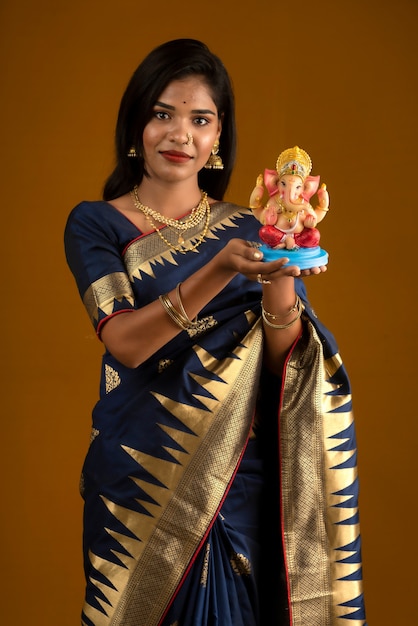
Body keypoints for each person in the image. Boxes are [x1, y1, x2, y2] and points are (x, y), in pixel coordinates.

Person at [64, 39, 366, 626]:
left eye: (200, 119)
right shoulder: (95, 222)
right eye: (163, 114)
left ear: (218, 137)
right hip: (142, 483)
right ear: (136, 128)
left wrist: (280, 270)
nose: (181, 134)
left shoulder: (253, 226)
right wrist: (222, 267)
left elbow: (285, 360)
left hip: (238, 481)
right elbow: (124, 341)